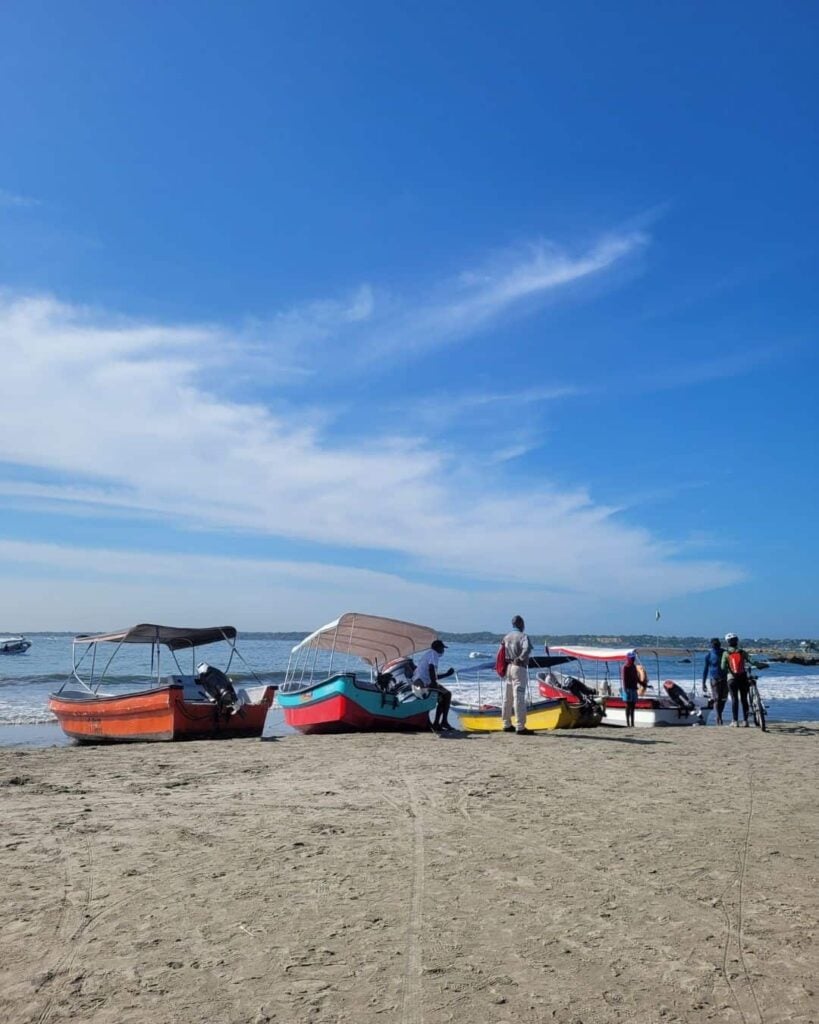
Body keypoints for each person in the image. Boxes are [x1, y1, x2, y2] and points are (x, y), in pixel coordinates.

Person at [413, 639, 456, 732]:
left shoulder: (429, 654)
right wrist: (434, 683)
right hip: (422, 683)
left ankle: (438, 723)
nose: (443, 651)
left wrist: (447, 674)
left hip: (420, 681)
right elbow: (431, 669)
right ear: (438, 648)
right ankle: (442, 722)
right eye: (442, 648)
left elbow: (433, 675)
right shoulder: (434, 654)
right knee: (447, 695)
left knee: (443, 696)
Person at [501, 615, 534, 735]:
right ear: (521, 624)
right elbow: (527, 649)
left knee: (507, 697)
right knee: (519, 696)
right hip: (518, 667)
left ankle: (506, 723)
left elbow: (501, 651)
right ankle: (520, 726)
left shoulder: (506, 637)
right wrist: (520, 658)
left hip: (508, 667)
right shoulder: (523, 636)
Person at [722, 633, 752, 727]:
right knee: (744, 699)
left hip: (732, 679)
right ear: (737, 641)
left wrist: (729, 670)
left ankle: (735, 721)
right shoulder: (742, 652)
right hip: (743, 677)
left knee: (734, 699)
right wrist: (760, 665)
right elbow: (752, 661)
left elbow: (723, 667)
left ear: (727, 642)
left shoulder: (726, 653)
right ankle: (745, 721)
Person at [702, 637, 727, 725]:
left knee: (723, 699)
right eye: (714, 644)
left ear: (719, 644)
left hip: (725, 678)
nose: (716, 645)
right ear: (712, 645)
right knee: (716, 699)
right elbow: (705, 670)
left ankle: (720, 715)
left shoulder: (725, 653)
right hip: (714, 679)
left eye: (717, 644)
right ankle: (718, 716)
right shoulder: (709, 655)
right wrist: (703, 683)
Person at [621, 651, 640, 727]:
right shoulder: (625, 667)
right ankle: (628, 723)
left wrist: (643, 684)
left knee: (633, 707)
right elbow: (624, 679)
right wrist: (625, 689)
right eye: (632, 658)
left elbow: (636, 678)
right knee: (628, 706)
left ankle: (632, 723)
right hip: (628, 689)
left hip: (634, 688)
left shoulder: (633, 666)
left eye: (633, 658)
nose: (633, 660)